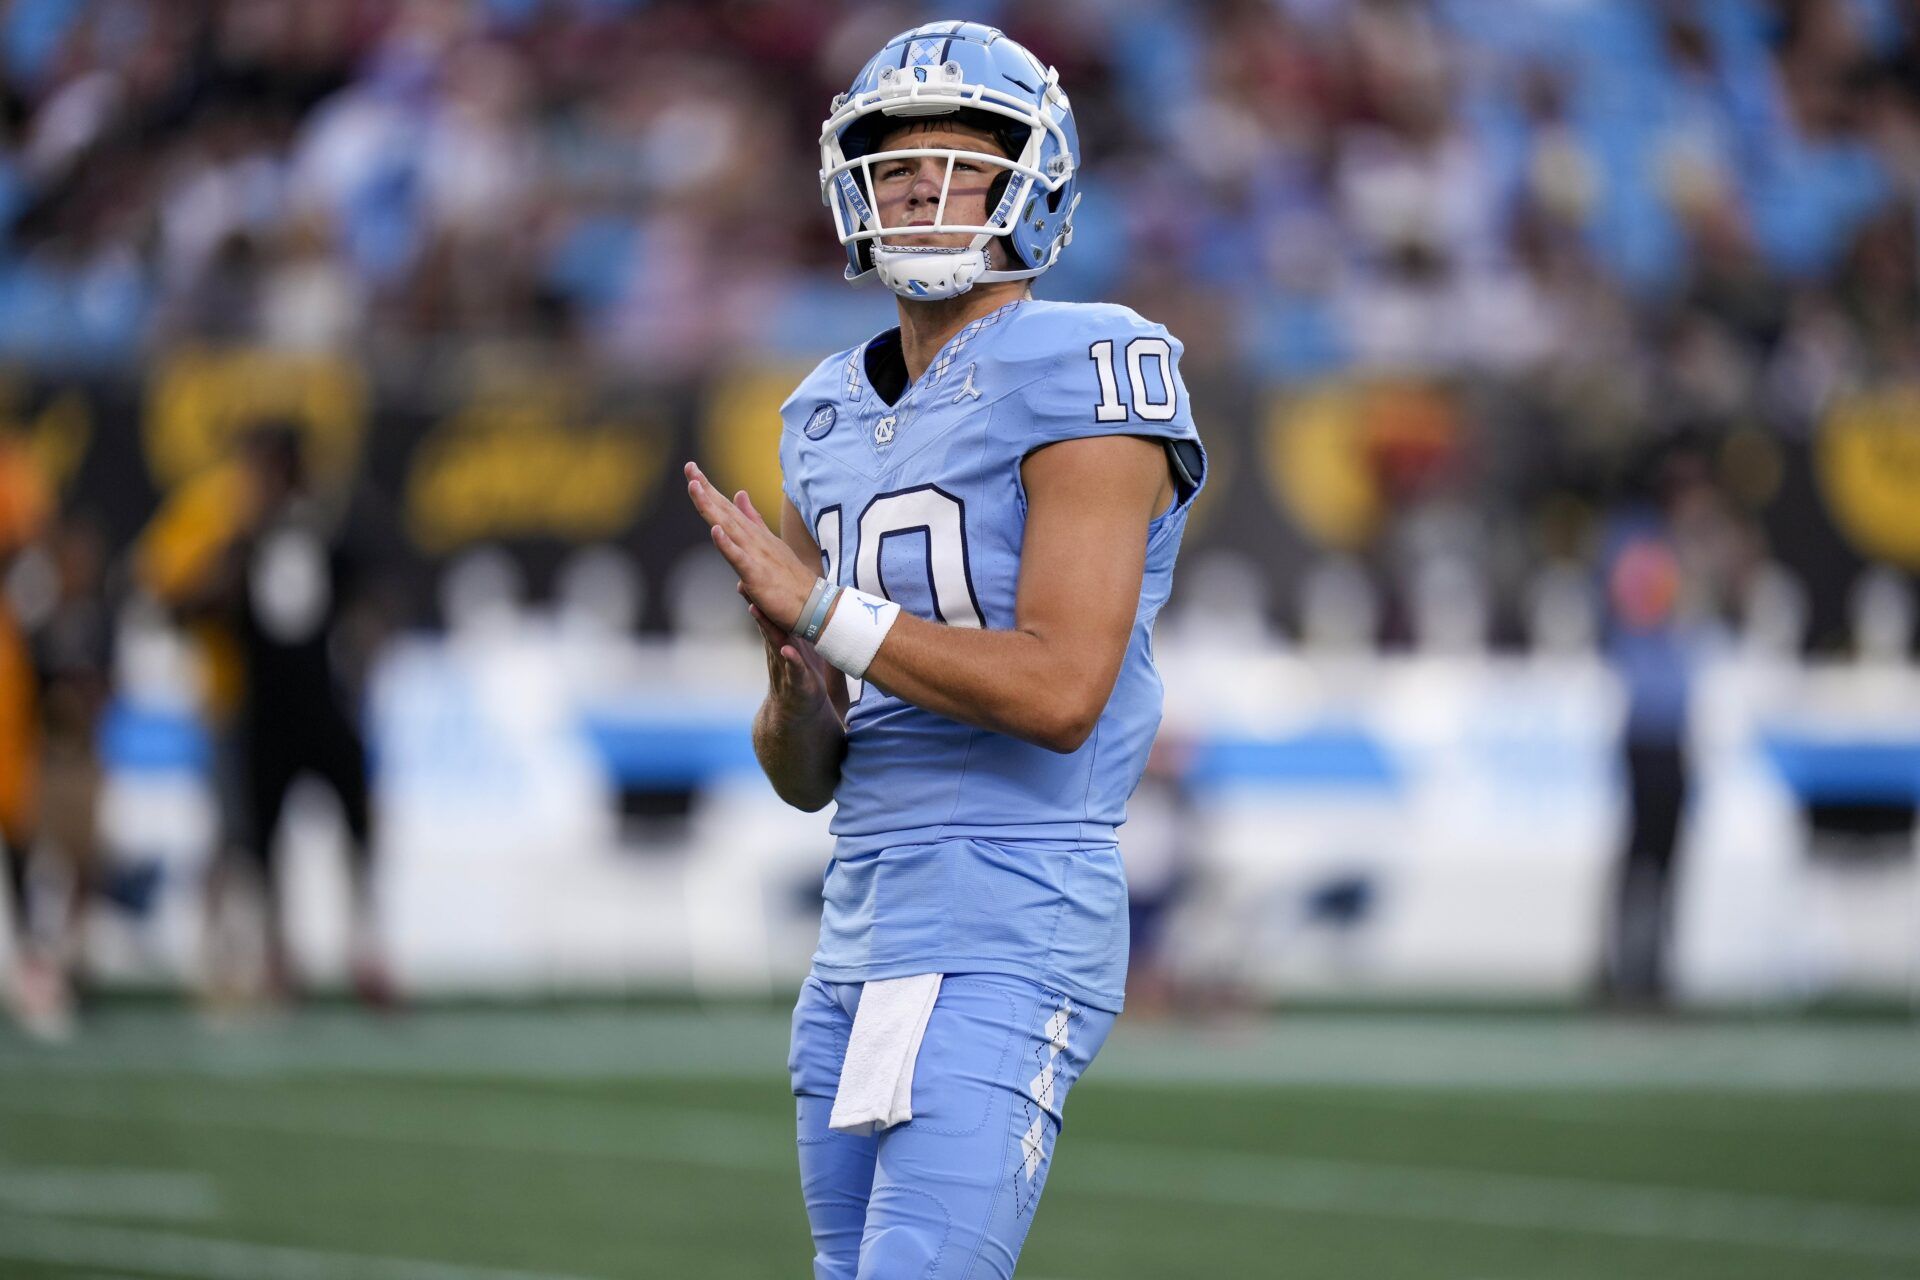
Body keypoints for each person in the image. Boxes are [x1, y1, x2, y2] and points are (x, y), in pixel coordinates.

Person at [683, 22, 1206, 1278]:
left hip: (1017, 899)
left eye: (960, 162)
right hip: (862, 912)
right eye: (898, 163)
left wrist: (828, 614)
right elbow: (810, 772)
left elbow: (1064, 688)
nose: (922, 187)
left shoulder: (1092, 363)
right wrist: (798, 689)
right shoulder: (821, 410)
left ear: (1035, 184)